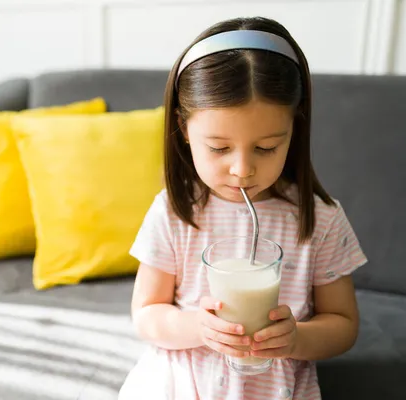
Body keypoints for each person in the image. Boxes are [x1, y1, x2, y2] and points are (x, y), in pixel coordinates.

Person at [118, 16, 368, 400]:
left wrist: (297, 338)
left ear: (294, 130)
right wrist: (197, 327)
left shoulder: (321, 219)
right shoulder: (173, 211)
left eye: (266, 147)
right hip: (181, 384)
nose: (242, 169)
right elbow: (147, 313)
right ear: (184, 129)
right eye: (218, 148)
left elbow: (344, 325)